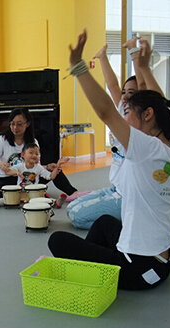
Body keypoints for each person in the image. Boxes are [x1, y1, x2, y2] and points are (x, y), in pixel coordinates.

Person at [48, 30, 170, 290]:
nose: (124, 117)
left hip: (140, 268)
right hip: (161, 261)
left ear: (147, 115)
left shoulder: (146, 148)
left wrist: (78, 67)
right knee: (104, 223)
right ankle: (93, 265)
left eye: (128, 112)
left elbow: (105, 111)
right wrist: (142, 65)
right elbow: (162, 103)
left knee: (57, 241)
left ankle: (94, 270)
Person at [66, 38, 145, 229]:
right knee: (72, 207)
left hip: (129, 196)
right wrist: (102, 57)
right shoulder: (122, 108)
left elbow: (143, 86)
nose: (125, 96)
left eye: (131, 93)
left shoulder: (140, 125)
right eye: (125, 92)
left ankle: (128, 218)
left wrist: (135, 53)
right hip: (116, 187)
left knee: (77, 215)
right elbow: (112, 85)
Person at [0, 108, 78, 201]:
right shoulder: (2, 140)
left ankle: (74, 193)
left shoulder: (33, 142)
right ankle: (33, 193)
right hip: (4, 178)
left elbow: (36, 166)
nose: (15, 128)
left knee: (55, 170)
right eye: (12, 124)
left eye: (19, 124)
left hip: (27, 177)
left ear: (28, 124)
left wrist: (48, 167)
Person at [0, 142, 68, 209]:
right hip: (20, 192)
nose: (34, 155)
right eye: (31, 153)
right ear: (23, 155)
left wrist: (58, 166)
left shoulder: (38, 168)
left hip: (33, 193)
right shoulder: (20, 166)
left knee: (42, 200)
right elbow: (7, 172)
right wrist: (16, 173)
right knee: (9, 198)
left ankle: (56, 202)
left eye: (37, 154)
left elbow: (51, 176)